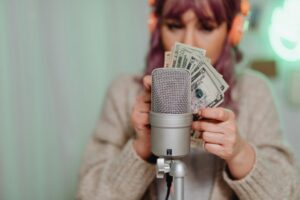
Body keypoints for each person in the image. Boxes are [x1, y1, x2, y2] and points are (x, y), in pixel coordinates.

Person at [77, 0, 300, 199]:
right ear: (156, 26)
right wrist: (142, 145)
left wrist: (240, 154)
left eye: (206, 27)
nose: (188, 41)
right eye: (174, 25)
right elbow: (88, 195)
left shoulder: (254, 92)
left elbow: (289, 193)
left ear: (232, 32)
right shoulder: (123, 92)